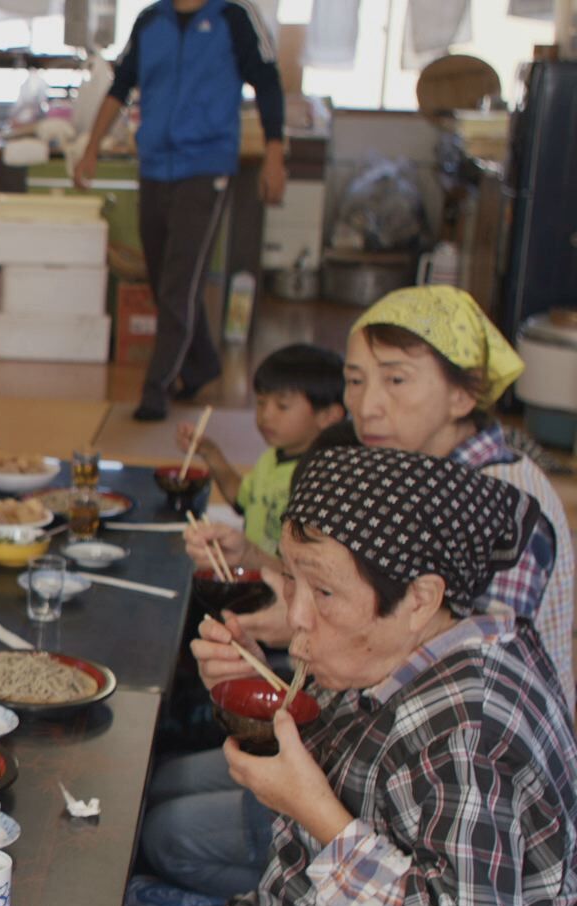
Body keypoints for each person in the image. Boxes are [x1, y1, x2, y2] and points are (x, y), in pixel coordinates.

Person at [99, 446, 577, 906]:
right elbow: (348, 742)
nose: (297, 618)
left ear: (419, 595)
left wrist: (318, 814)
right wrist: (254, 679)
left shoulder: (472, 734)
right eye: (293, 579)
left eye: (323, 589)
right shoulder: (413, 646)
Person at [189, 286, 573, 708]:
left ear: (463, 394)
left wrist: (309, 625)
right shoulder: (409, 474)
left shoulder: (509, 505)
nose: (366, 405)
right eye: (355, 380)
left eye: (396, 379)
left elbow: (475, 677)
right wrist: (254, 556)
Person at [74, 0, 288, 421]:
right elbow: (121, 87)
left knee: (179, 284)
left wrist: (275, 155)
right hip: (154, 166)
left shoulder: (233, 17)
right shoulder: (151, 21)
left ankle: (156, 389)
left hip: (206, 167)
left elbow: (267, 81)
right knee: (165, 279)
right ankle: (202, 363)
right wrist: (91, 147)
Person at [174, 344, 344, 557]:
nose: (266, 415)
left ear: (328, 416)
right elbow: (241, 500)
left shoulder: (322, 476)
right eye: (261, 403)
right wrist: (210, 452)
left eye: (282, 406)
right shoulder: (271, 457)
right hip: (248, 569)